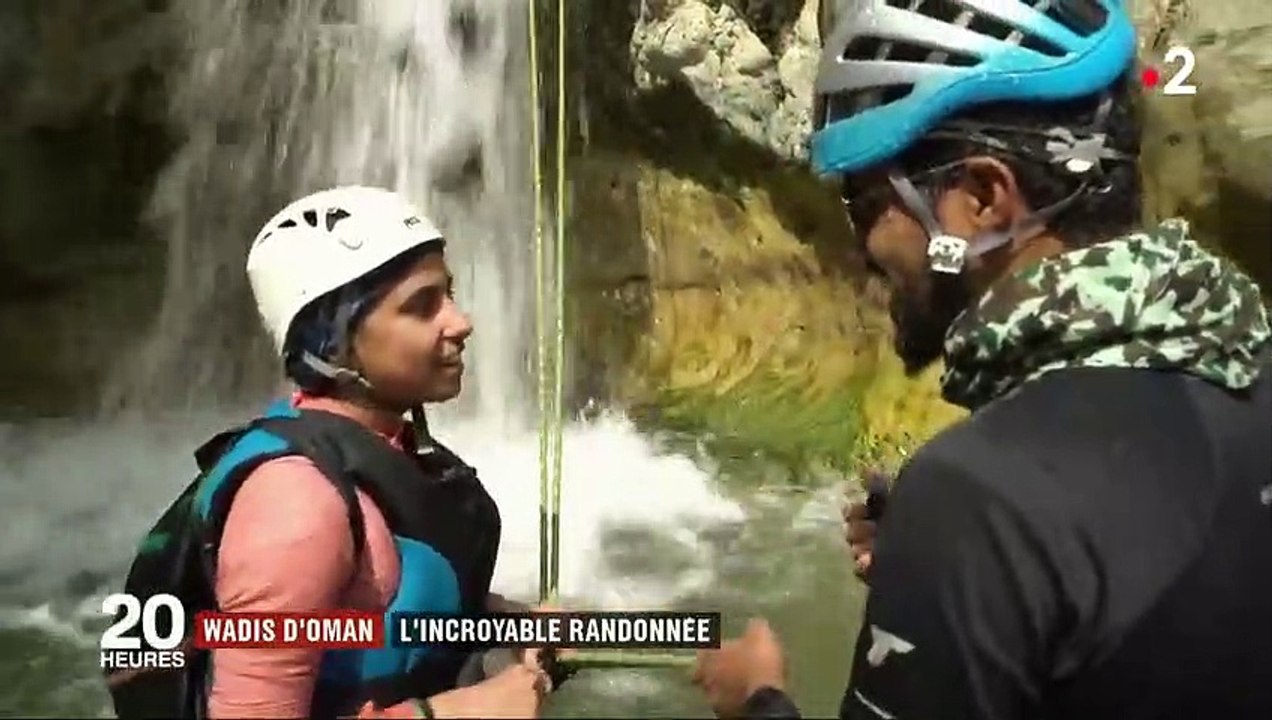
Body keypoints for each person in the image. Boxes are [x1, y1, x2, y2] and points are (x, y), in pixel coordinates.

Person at [693, 0, 1272, 718]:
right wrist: (967, 588)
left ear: (982, 201)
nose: (859, 247)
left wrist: (757, 698)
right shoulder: (1249, 366)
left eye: (865, 202)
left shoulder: (980, 498)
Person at [106, 186, 552, 719]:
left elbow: (383, 616)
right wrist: (443, 715)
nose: (460, 322)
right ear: (334, 342)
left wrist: (518, 626)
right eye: (421, 306)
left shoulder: (391, 451)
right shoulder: (297, 504)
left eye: (449, 295)